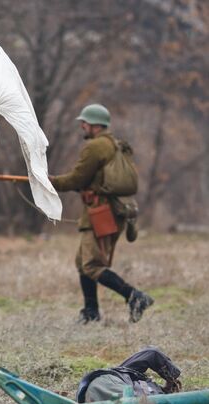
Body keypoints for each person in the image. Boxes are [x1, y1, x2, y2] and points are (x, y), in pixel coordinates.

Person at [50, 104, 154, 324]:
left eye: (85, 123)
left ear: (96, 125)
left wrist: (48, 182)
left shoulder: (96, 147)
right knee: (82, 262)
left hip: (100, 214)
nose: (82, 126)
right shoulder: (114, 145)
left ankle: (135, 297)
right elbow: (92, 181)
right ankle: (91, 311)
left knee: (92, 265)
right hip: (111, 212)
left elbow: (76, 179)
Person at [76, 347, 182, 403]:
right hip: (105, 387)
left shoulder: (124, 372)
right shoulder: (126, 372)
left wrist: (170, 380)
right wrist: (171, 379)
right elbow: (152, 353)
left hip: (89, 398)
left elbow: (152, 353)